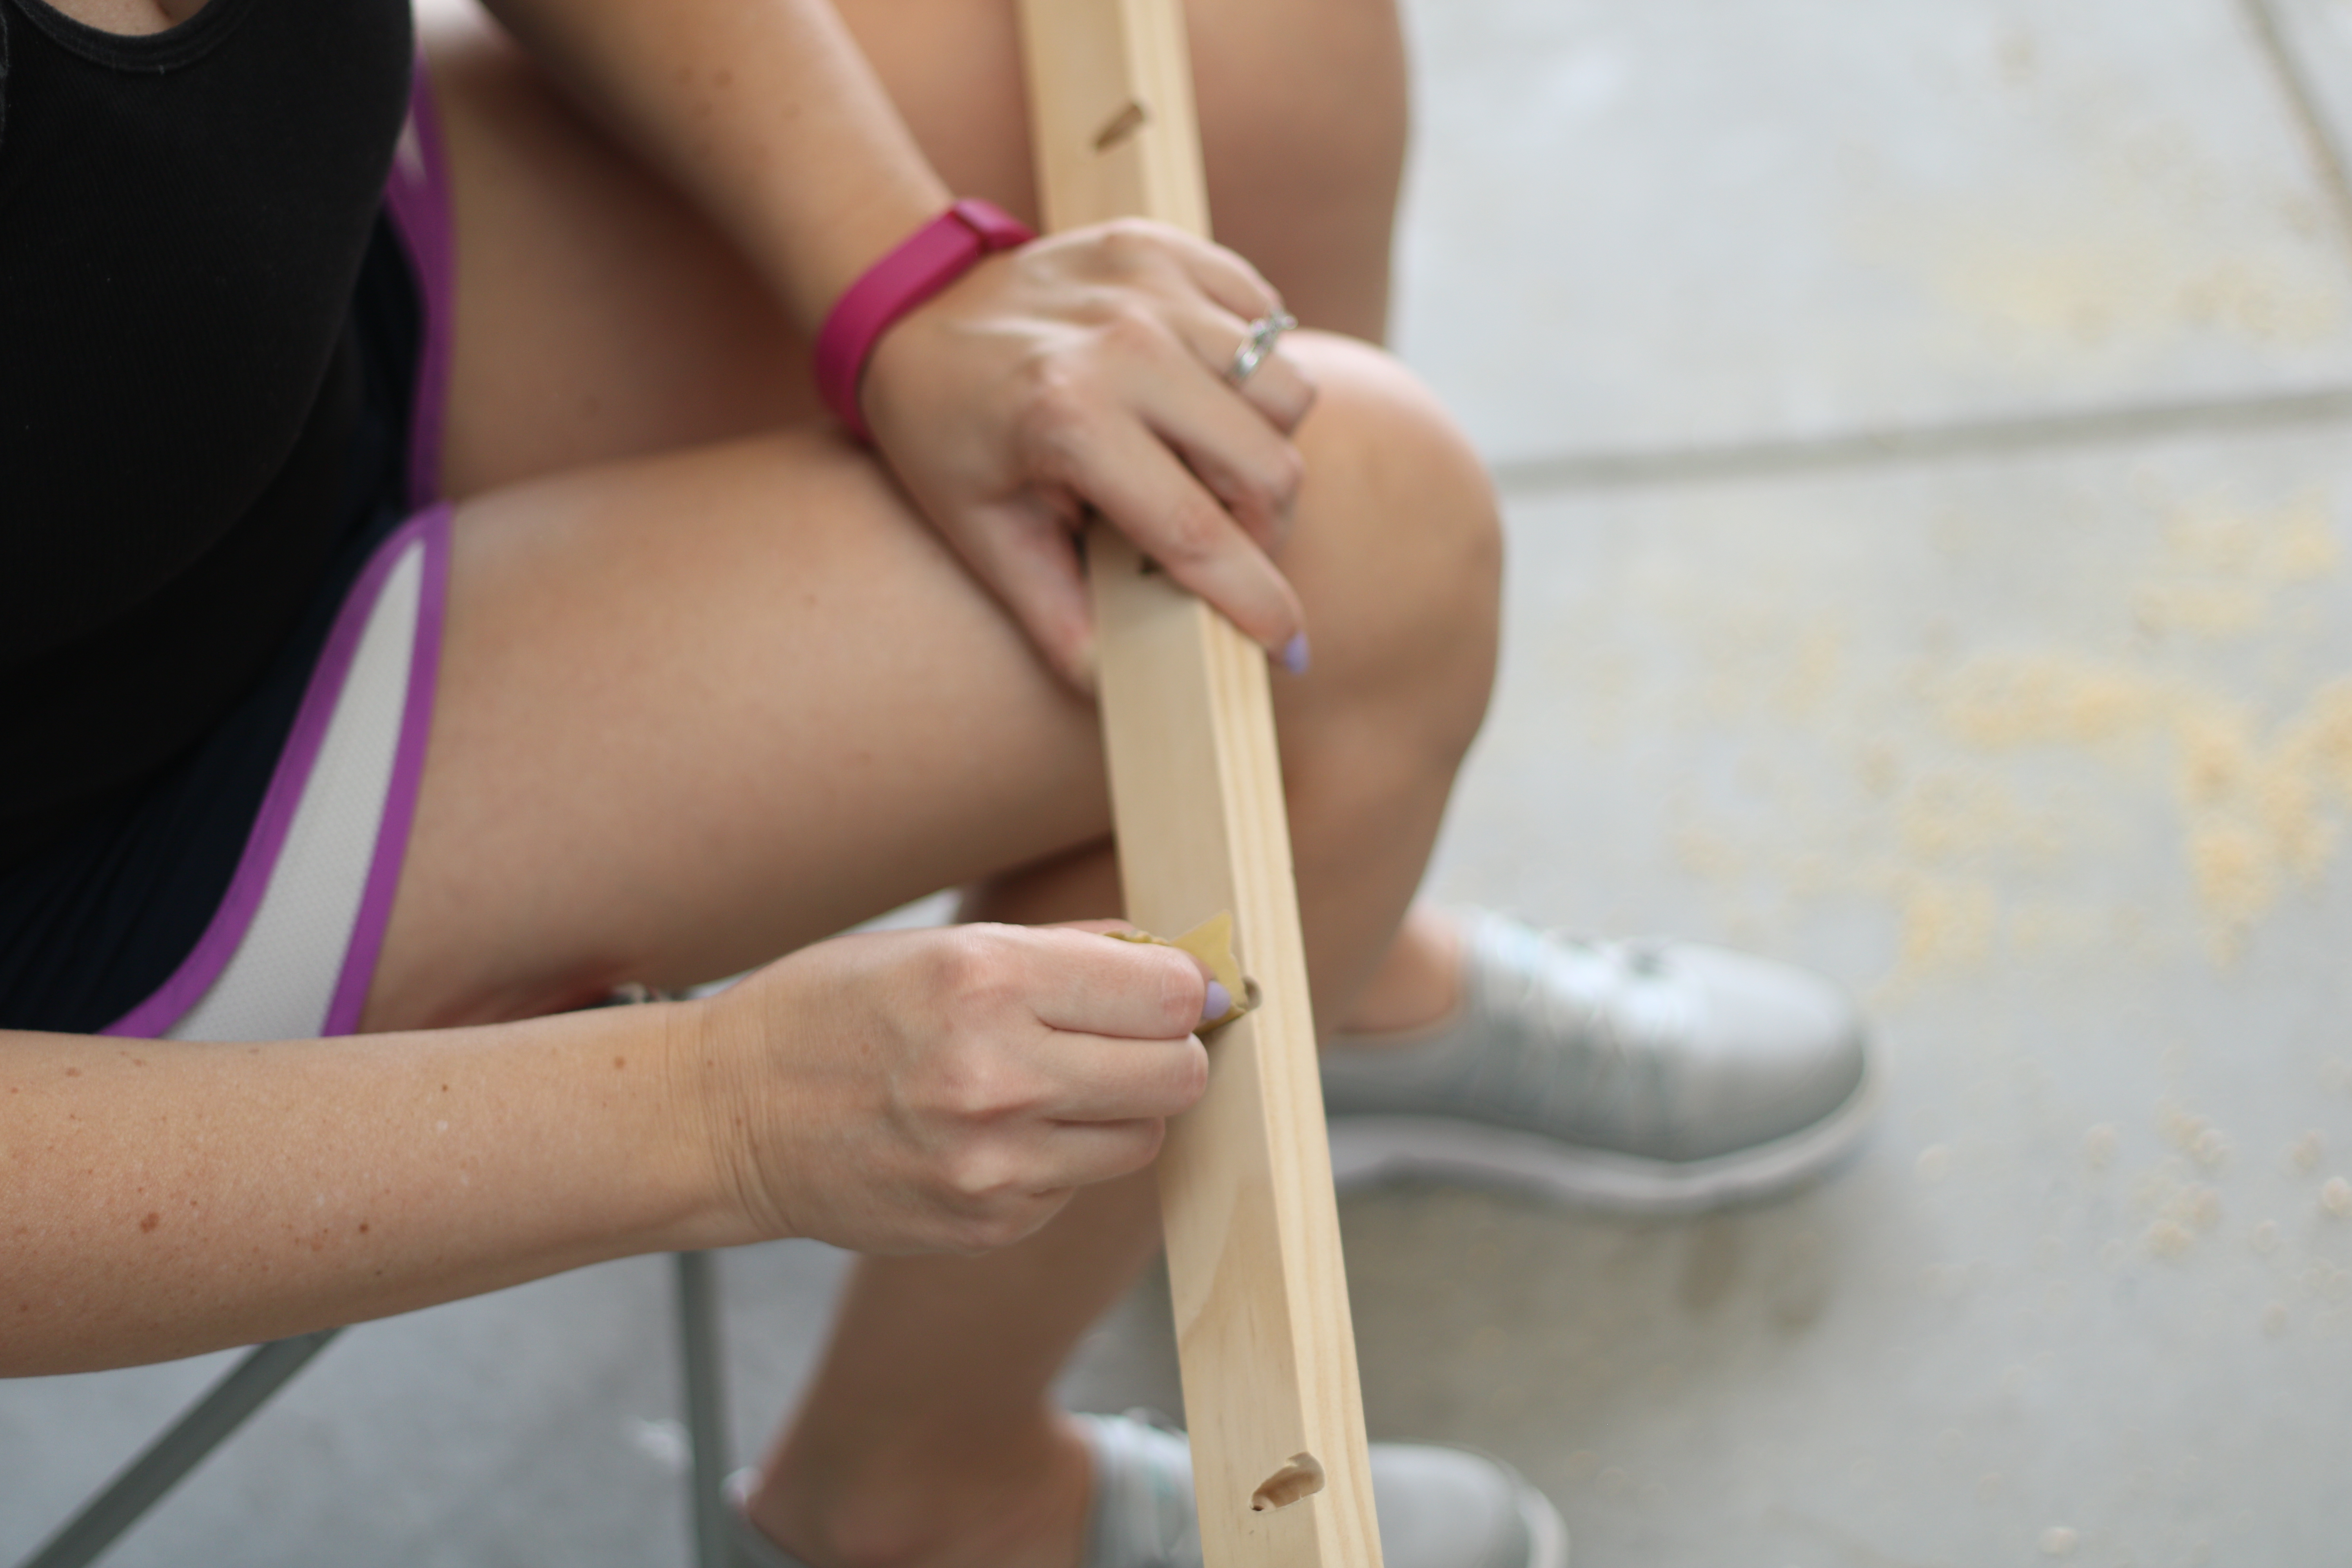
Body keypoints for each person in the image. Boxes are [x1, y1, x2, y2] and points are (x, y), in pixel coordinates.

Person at [0, 0, 1871, 1561]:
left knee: (1253, 59)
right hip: (105, 858)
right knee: (1366, 559)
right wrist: (718, 1115)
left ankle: (1325, 963)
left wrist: (897, 284)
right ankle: (919, 1494)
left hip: (241, 326)